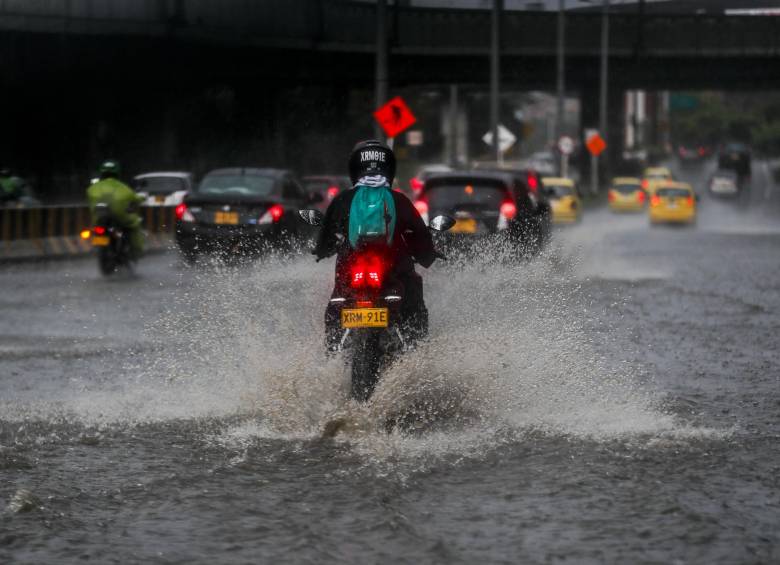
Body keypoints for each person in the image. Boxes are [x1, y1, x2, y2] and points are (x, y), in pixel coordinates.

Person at [314, 140, 437, 350]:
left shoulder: (343, 199)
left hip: (350, 268)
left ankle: (331, 349)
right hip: (394, 270)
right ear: (389, 169)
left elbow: (326, 233)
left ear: (354, 169)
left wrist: (321, 250)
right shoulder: (399, 200)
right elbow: (420, 233)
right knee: (413, 292)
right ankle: (418, 348)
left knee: (337, 300)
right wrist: (427, 255)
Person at [86, 160, 145, 258]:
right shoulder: (122, 187)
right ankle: (135, 251)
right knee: (135, 223)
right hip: (118, 219)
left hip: (100, 220)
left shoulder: (93, 188)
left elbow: (89, 198)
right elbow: (133, 198)